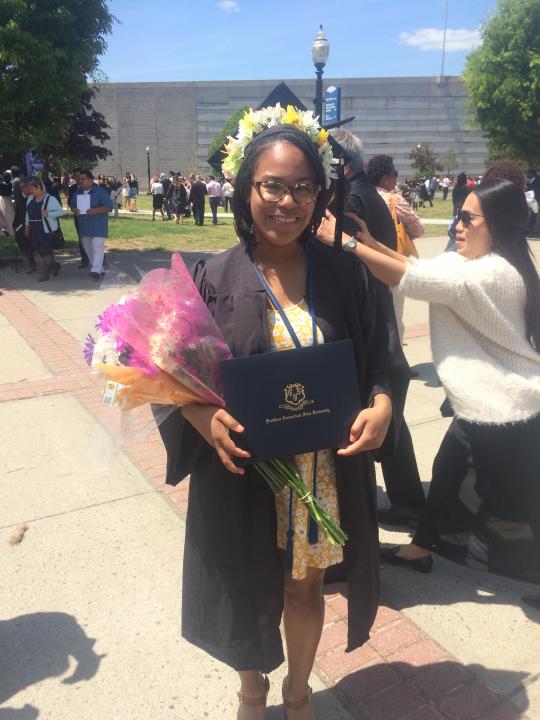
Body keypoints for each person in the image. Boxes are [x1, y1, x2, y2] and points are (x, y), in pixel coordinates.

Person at [155, 116, 401, 720]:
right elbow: (171, 374)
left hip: (318, 469)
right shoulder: (212, 277)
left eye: (302, 188)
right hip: (242, 468)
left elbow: (383, 357)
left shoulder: (344, 274)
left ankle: (298, 690)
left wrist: (383, 404)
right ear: (246, 189)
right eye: (272, 185)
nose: (286, 202)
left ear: (320, 195)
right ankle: (251, 691)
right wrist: (198, 414)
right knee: (245, 582)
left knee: (304, 585)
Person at [328, 179, 540, 584]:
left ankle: (432, 548)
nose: (457, 225)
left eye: (468, 219)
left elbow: (413, 281)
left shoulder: (494, 273)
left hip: (509, 408)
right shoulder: (474, 262)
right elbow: (418, 269)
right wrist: (370, 241)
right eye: (458, 215)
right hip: (489, 404)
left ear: (496, 224)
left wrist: (349, 245)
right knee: (449, 475)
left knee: (516, 505)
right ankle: (421, 548)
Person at [329, 130, 425, 528]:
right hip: (381, 315)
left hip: (369, 322)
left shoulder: (351, 200)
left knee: (378, 424)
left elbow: (343, 263)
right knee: (392, 423)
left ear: (339, 163)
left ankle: (400, 504)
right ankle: (409, 501)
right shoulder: (371, 195)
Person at [366, 154, 424, 343]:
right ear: (385, 178)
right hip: (391, 263)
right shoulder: (394, 200)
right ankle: (395, 354)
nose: (396, 179)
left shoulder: (359, 195)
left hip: (365, 262)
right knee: (394, 315)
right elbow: (418, 229)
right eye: (395, 174)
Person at [69, 170, 112, 281]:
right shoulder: (77, 193)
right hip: (84, 226)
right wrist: (74, 210)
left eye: (83, 179)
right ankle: (99, 269)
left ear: (91, 179)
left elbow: (109, 206)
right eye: (79, 179)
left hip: (98, 226)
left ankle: (95, 271)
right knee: (88, 249)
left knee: (97, 247)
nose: (80, 181)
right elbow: (72, 206)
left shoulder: (100, 192)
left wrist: (96, 210)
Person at [24, 176, 64, 282]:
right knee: (41, 251)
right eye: (29, 189)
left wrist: (48, 214)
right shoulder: (30, 198)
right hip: (34, 229)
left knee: (46, 251)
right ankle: (54, 265)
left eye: (32, 189)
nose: (30, 191)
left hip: (45, 229)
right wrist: (27, 226)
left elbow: (61, 212)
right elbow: (27, 213)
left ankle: (45, 273)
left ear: (39, 187)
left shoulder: (50, 199)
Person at [68, 168, 90, 269]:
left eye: (79, 176)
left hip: (91, 217)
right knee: (82, 239)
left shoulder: (91, 187)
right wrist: (74, 208)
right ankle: (84, 260)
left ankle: (100, 259)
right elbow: (69, 202)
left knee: (93, 239)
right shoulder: (73, 188)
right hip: (79, 217)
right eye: (75, 176)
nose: (78, 178)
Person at [0, 171, 14, 236]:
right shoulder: (10, 185)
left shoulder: (1, 184)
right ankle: (11, 230)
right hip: (9, 200)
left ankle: (5, 230)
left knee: (3, 216)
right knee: (10, 215)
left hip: (2, 200)